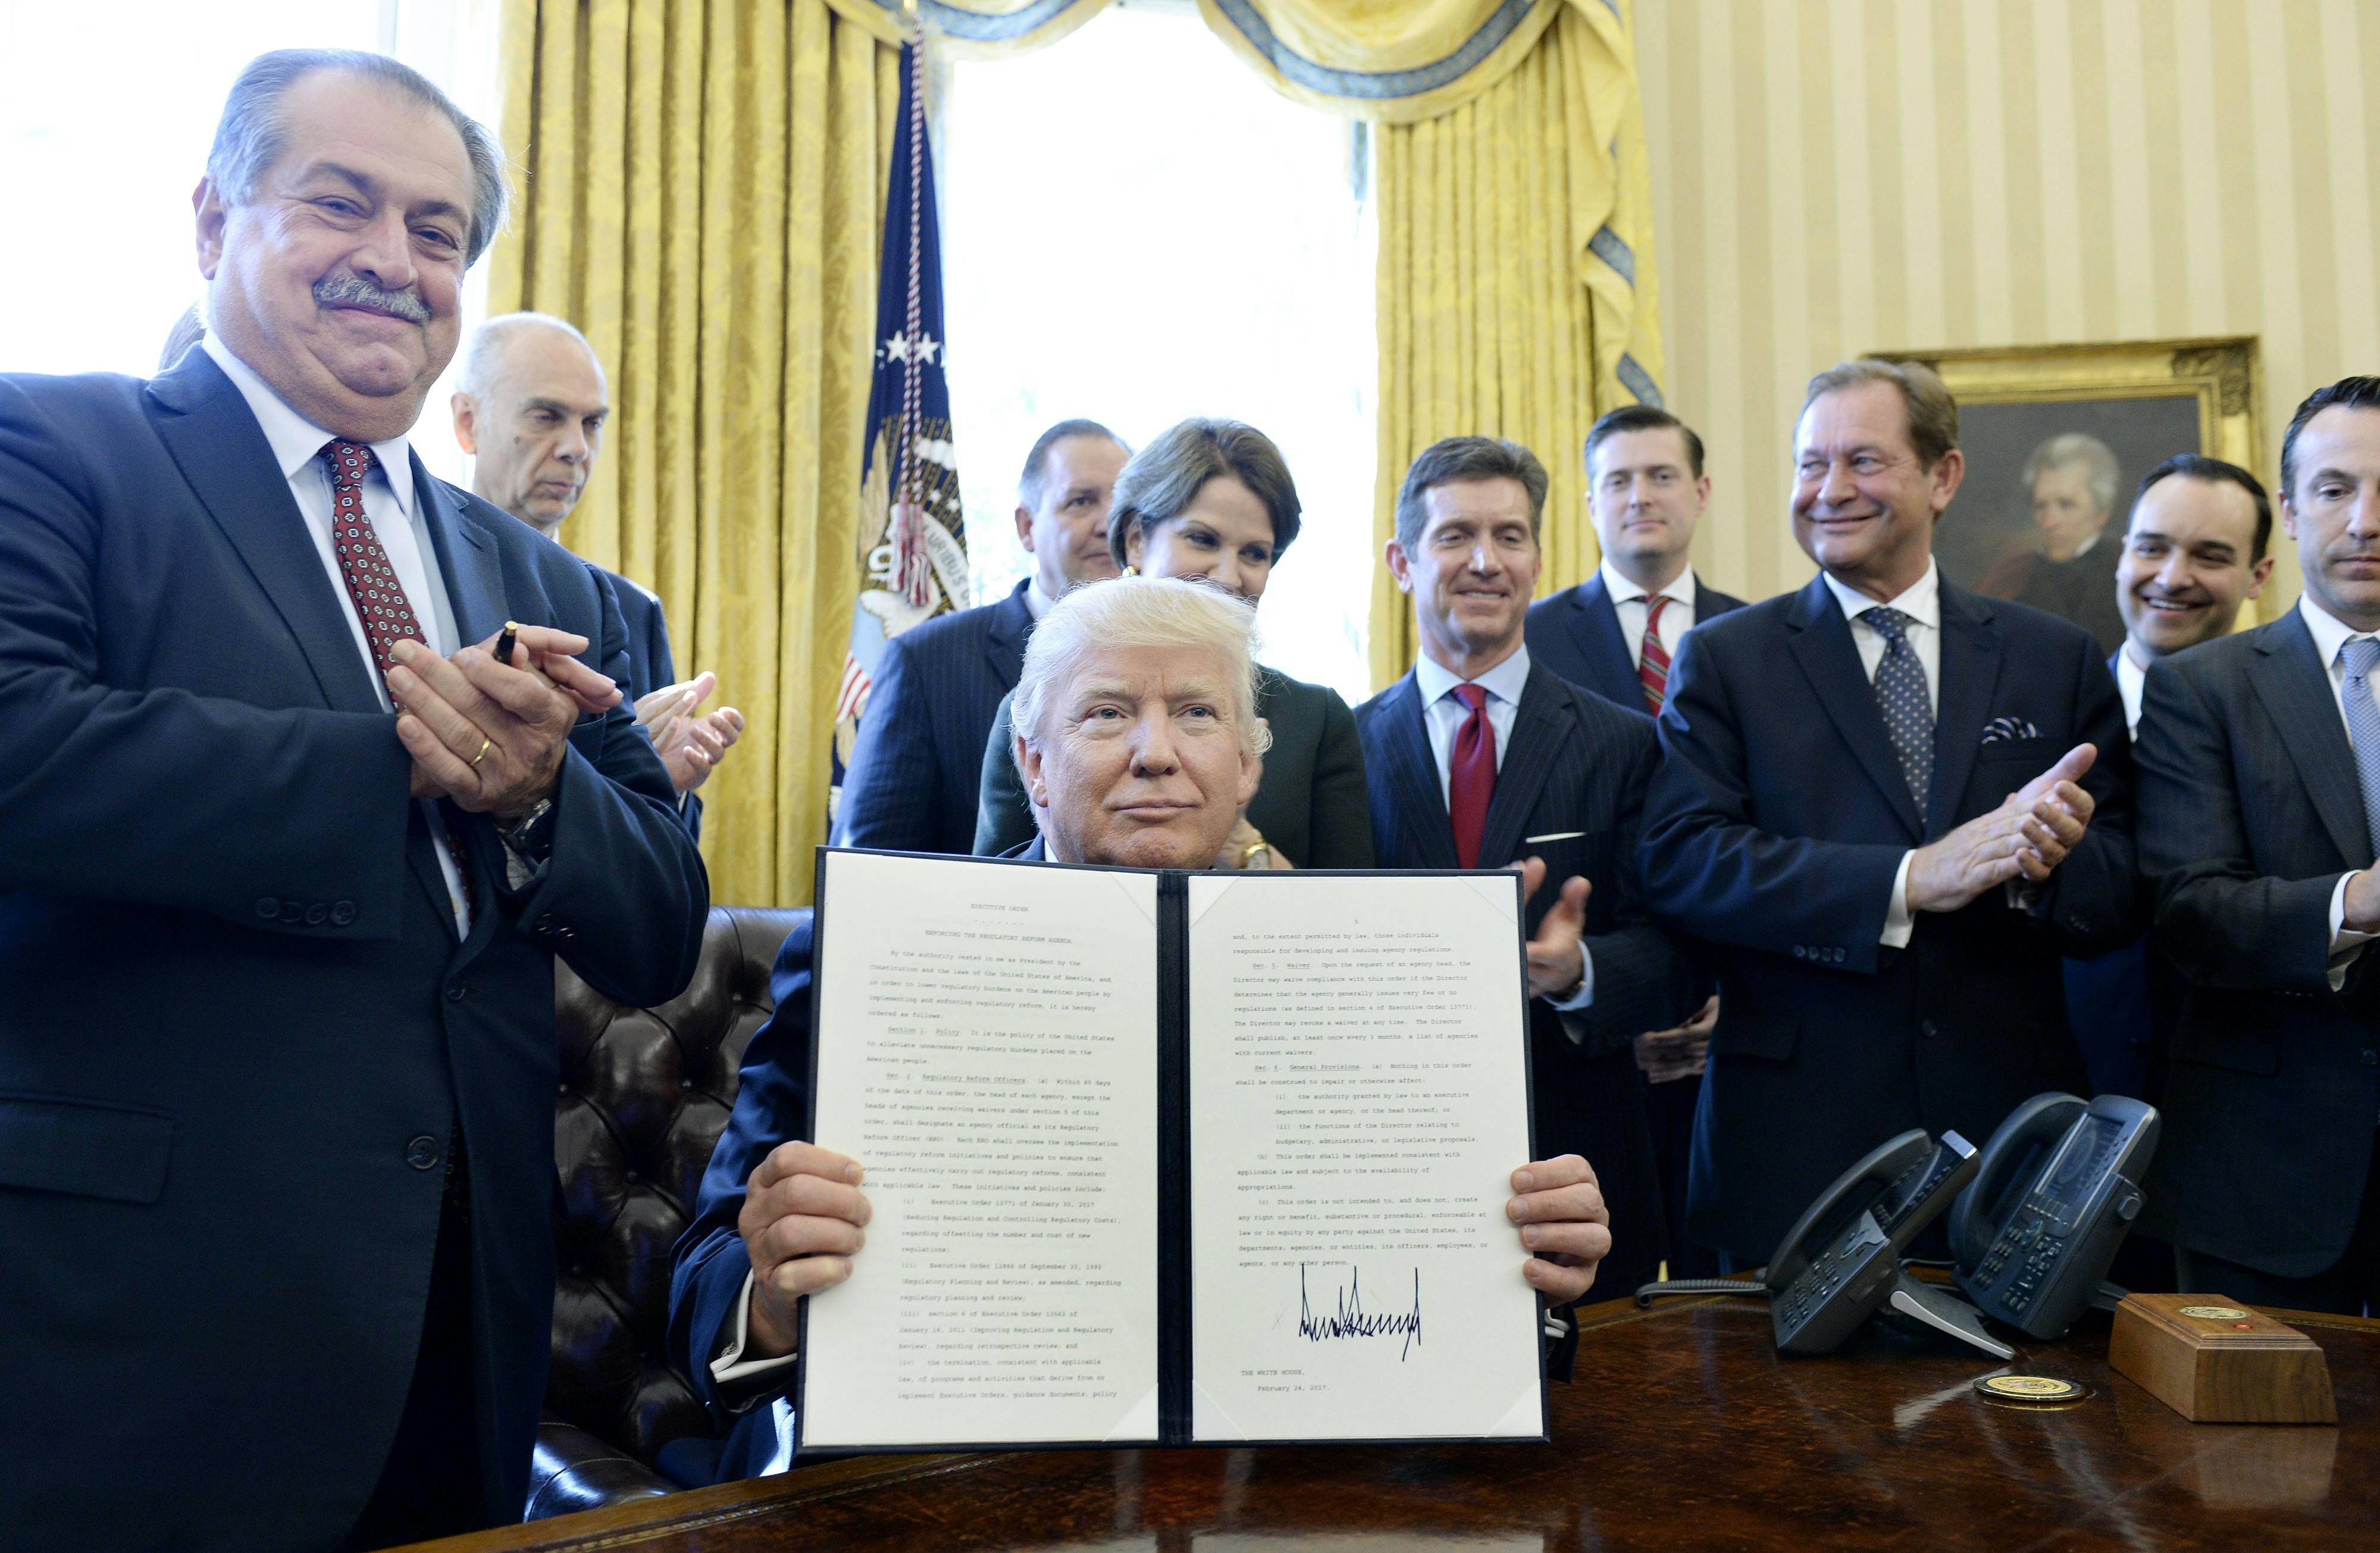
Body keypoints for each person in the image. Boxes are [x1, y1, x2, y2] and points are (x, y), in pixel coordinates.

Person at [0, 49, 709, 1552]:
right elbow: (21, 754)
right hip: (139, 1330)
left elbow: (658, 913)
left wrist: (535, 801)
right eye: (342, 203)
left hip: (469, 1331)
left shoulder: (553, 580)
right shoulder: (52, 447)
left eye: (439, 231)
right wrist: (405, 757)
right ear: (212, 220)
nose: (394, 260)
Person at [668, 577, 1611, 1474]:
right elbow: (704, 1274)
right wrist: (771, 1290)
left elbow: (1445, 1266)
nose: (1155, 751)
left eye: (1197, 713)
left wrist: (1532, 1265)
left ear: (1247, 767)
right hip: (954, 1478)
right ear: (1033, 763)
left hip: (1288, 1483)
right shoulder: (875, 952)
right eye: (1107, 712)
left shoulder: (1368, 974)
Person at [1638, 359, 2136, 1270]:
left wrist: (2051, 858)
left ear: (1942, 477)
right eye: (1809, 464)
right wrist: (1910, 879)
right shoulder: (1727, 659)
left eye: (1863, 461)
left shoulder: (2052, 657)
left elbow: (2126, 883)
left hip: (2011, 1134)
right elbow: (1684, 861)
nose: (1829, 491)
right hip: (1793, 1144)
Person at [1358, 435, 1698, 1298]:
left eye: (1510, 536)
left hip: (1582, 1161)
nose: (1485, 561)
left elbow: (1678, 950)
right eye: (1455, 536)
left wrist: (1581, 971)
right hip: (1386, 1169)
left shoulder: (1626, 742)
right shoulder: (1346, 748)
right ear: (1401, 561)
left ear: (1539, 559)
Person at [2134, 377, 2380, 1316]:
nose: (2365, 520)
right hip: (2264, 1173)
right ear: (2289, 511)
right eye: (2334, 489)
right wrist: (2356, 901)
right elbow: (2192, 915)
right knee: (2251, 1461)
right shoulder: (2205, 688)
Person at [1524, 403, 1746, 1278]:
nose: (1640, 496)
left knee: (1716, 1289)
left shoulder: (1759, 637)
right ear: (1589, 505)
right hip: (1583, 1030)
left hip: (1730, 1024)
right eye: (1617, 479)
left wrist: (1721, 993)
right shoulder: (1527, 636)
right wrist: (1617, 998)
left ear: (1699, 492)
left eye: (1660, 476)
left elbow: (1760, 829)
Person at [972, 418, 1374, 870]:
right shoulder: (1032, 711)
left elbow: (1346, 918)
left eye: (1255, 553)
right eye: (1202, 539)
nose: (1227, 574)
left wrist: (1238, 841)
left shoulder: (1316, 717)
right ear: (1136, 540)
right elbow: (1001, 896)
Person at [452, 311, 741, 832]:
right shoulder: (415, 580)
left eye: (592, 423)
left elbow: (664, 857)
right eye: (546, 416)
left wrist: (664, 782)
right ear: (468, 423)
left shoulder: (632, 611)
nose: (576, 448)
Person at [2063, 455, 2275, 1100]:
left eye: (2210, 556)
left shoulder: (2299, 736)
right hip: (2068, 1098)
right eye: (2152, 548)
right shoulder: (2047, 719)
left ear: (2257, 576)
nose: (2172, 577)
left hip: (2253, 1105)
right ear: (2122, 554)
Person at [836, 418, 1129, 854]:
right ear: (1026, 527)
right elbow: (872, 862)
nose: (1108, 524)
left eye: (1124, 503)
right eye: (1081, 501)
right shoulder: (926, 661)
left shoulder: (1171, 659)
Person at [1981, 432, 2128, 656]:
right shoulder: (2012, 577)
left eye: (2066, 505)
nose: (2049, 522)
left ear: (2102, 512)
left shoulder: (2126, 574)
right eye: (2041, 507)